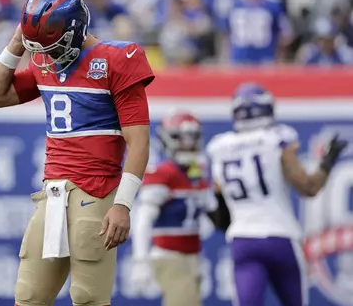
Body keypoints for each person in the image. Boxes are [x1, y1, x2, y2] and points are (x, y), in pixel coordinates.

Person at [0, 0, 154, 306]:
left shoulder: (116, 59)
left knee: (88, 298)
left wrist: (123, 204)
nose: (46, 57)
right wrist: (17, 42)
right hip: (53, 193)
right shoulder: (45, 63)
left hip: (96, 192)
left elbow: (139, 142)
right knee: (29, 296)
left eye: (52, 46)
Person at [206, 82, 348, 306]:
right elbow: (308, 187)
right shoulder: (277, 140)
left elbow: (219, 208)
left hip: (242, 238)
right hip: (280, 236)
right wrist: (327, 163)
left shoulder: (220, 147)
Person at [132, 112, 217, 306]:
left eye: (193, 137)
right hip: (170, 256)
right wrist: (140, 259)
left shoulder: (197, 173)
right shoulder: (163, 174)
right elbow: (143, 219)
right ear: (168, 139)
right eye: (182, 138)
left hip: (193, 256)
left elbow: (212, 214)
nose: (189, 143)